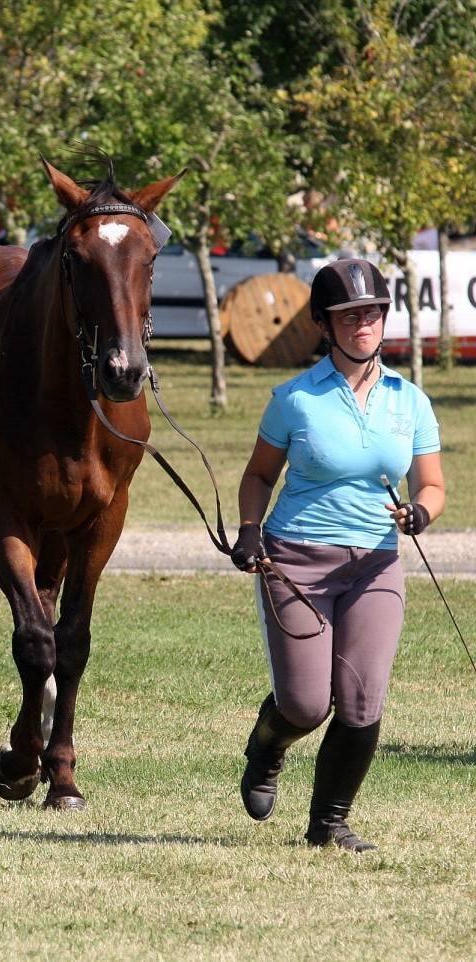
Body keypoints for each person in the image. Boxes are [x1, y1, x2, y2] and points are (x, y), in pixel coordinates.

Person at [231, 257, 445, 852]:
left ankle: (328, 825)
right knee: (305, 705)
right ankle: (268, 743)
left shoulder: (411, 402)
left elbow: (432, 485)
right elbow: (257, 476)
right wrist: (250, 528)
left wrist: (420, 512)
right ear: (325, 325)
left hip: (375, 563)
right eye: (348, 316)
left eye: (372, 313)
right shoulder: (294, 399)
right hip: (295, 560)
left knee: (360, 700)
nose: (363, 325)